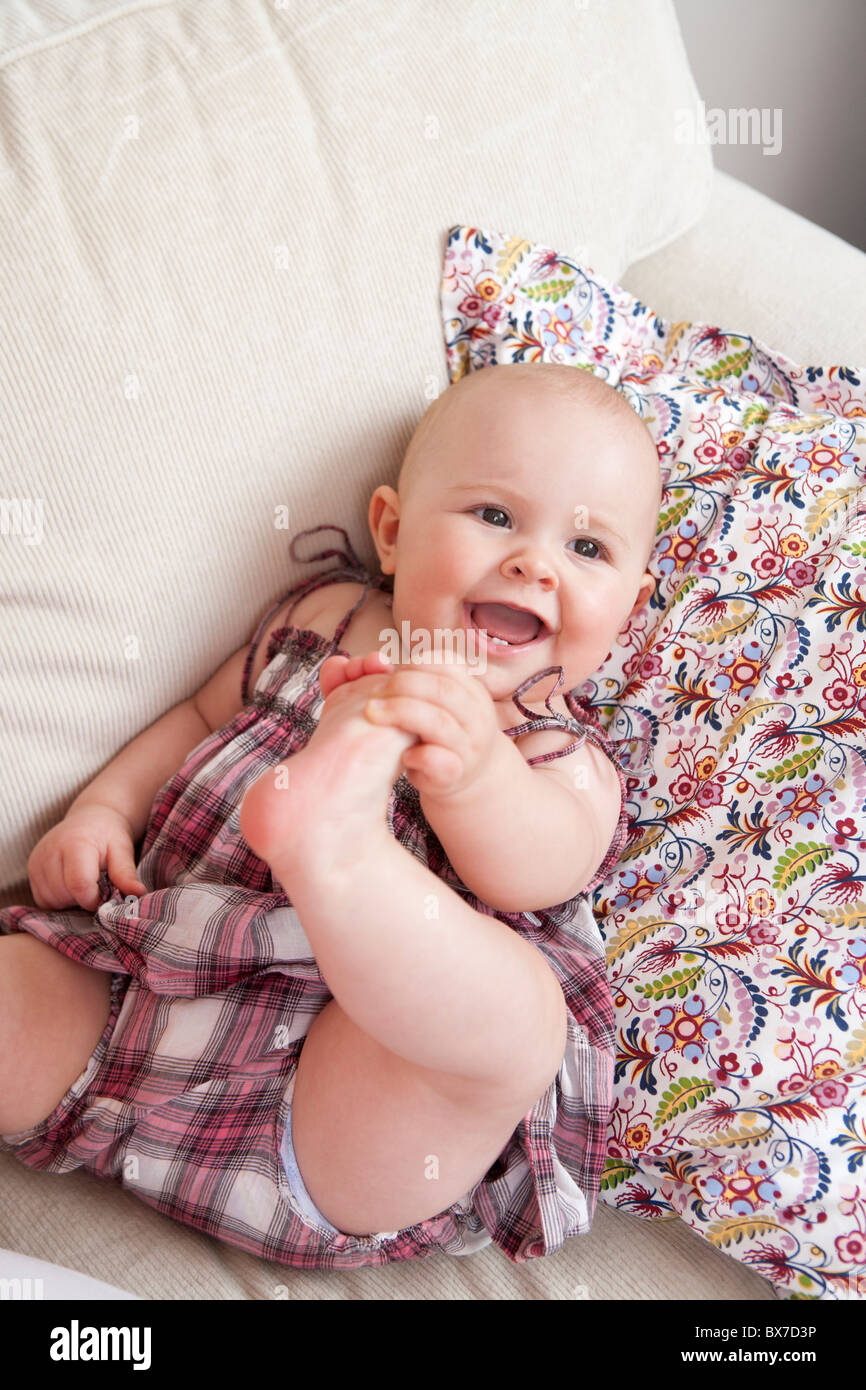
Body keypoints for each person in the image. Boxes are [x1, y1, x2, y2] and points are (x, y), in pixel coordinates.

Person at [0, 361, 661, 1268]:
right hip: (139, 997)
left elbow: (539, 870)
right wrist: (102, 809)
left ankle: (338, 853)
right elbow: (197, 719)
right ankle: (324, 841)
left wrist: (471, 779)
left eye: (589, 550)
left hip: (339, 1113)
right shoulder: (324, 617)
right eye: (495, 516)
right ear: (390, 531)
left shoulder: (556, 751)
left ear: (631, 607)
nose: (532, 563)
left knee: (521, 1022)